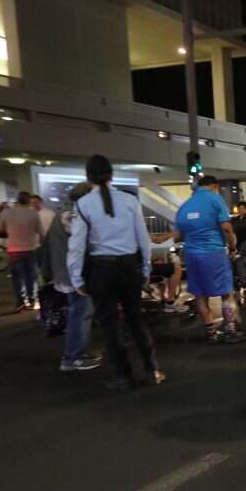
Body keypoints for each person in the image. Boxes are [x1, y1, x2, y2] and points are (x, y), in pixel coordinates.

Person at [68, 154, 163, 391]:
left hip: (101, 270)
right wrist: (146, 268)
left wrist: (76, 278)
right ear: (111, 174)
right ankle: (152, 370)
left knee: (110, 325)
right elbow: (143, 238)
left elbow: (77, 245)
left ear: (88, 177)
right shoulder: (129, 200)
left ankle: (123, 376)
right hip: (129, 267)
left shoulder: (83, 204)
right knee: (136, 320)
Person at [174, 175, 246, 344]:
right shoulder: (215, 199)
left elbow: (177, 237)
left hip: (191, 255)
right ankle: (230, 330)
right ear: (214, 187)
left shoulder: (184, 206)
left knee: (200, 296)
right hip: (213, 253)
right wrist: (233, 247)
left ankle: (211, 334)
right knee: (226, 294)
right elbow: (227, 229)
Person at [42, 182, 103, 372]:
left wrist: (48, 273)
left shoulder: (60, 214)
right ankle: (73, 357)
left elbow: (47, 247)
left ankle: (76, 353)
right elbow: (80, 248)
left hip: (62, 271)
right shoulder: (76, 216)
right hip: (75, 274)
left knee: (78, 312)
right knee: (81, 313)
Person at [0, 191, 44, 312]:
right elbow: (41, 232)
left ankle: (20, 302)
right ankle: (32, 300)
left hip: (13, 249)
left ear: (17, 200)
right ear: (29, 201)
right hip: (30, 249)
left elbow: (0, 228)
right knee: (31, 276)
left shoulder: (7, 212)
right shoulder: (33, 213)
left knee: (17, 277)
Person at [148, 232, 188, 313]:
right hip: (143, 268)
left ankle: (163, 299)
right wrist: (173, 232)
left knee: (164, 267)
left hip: (141, 265)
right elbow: (158, 239)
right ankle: (171, 301)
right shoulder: (141, 233)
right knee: (176, 268)